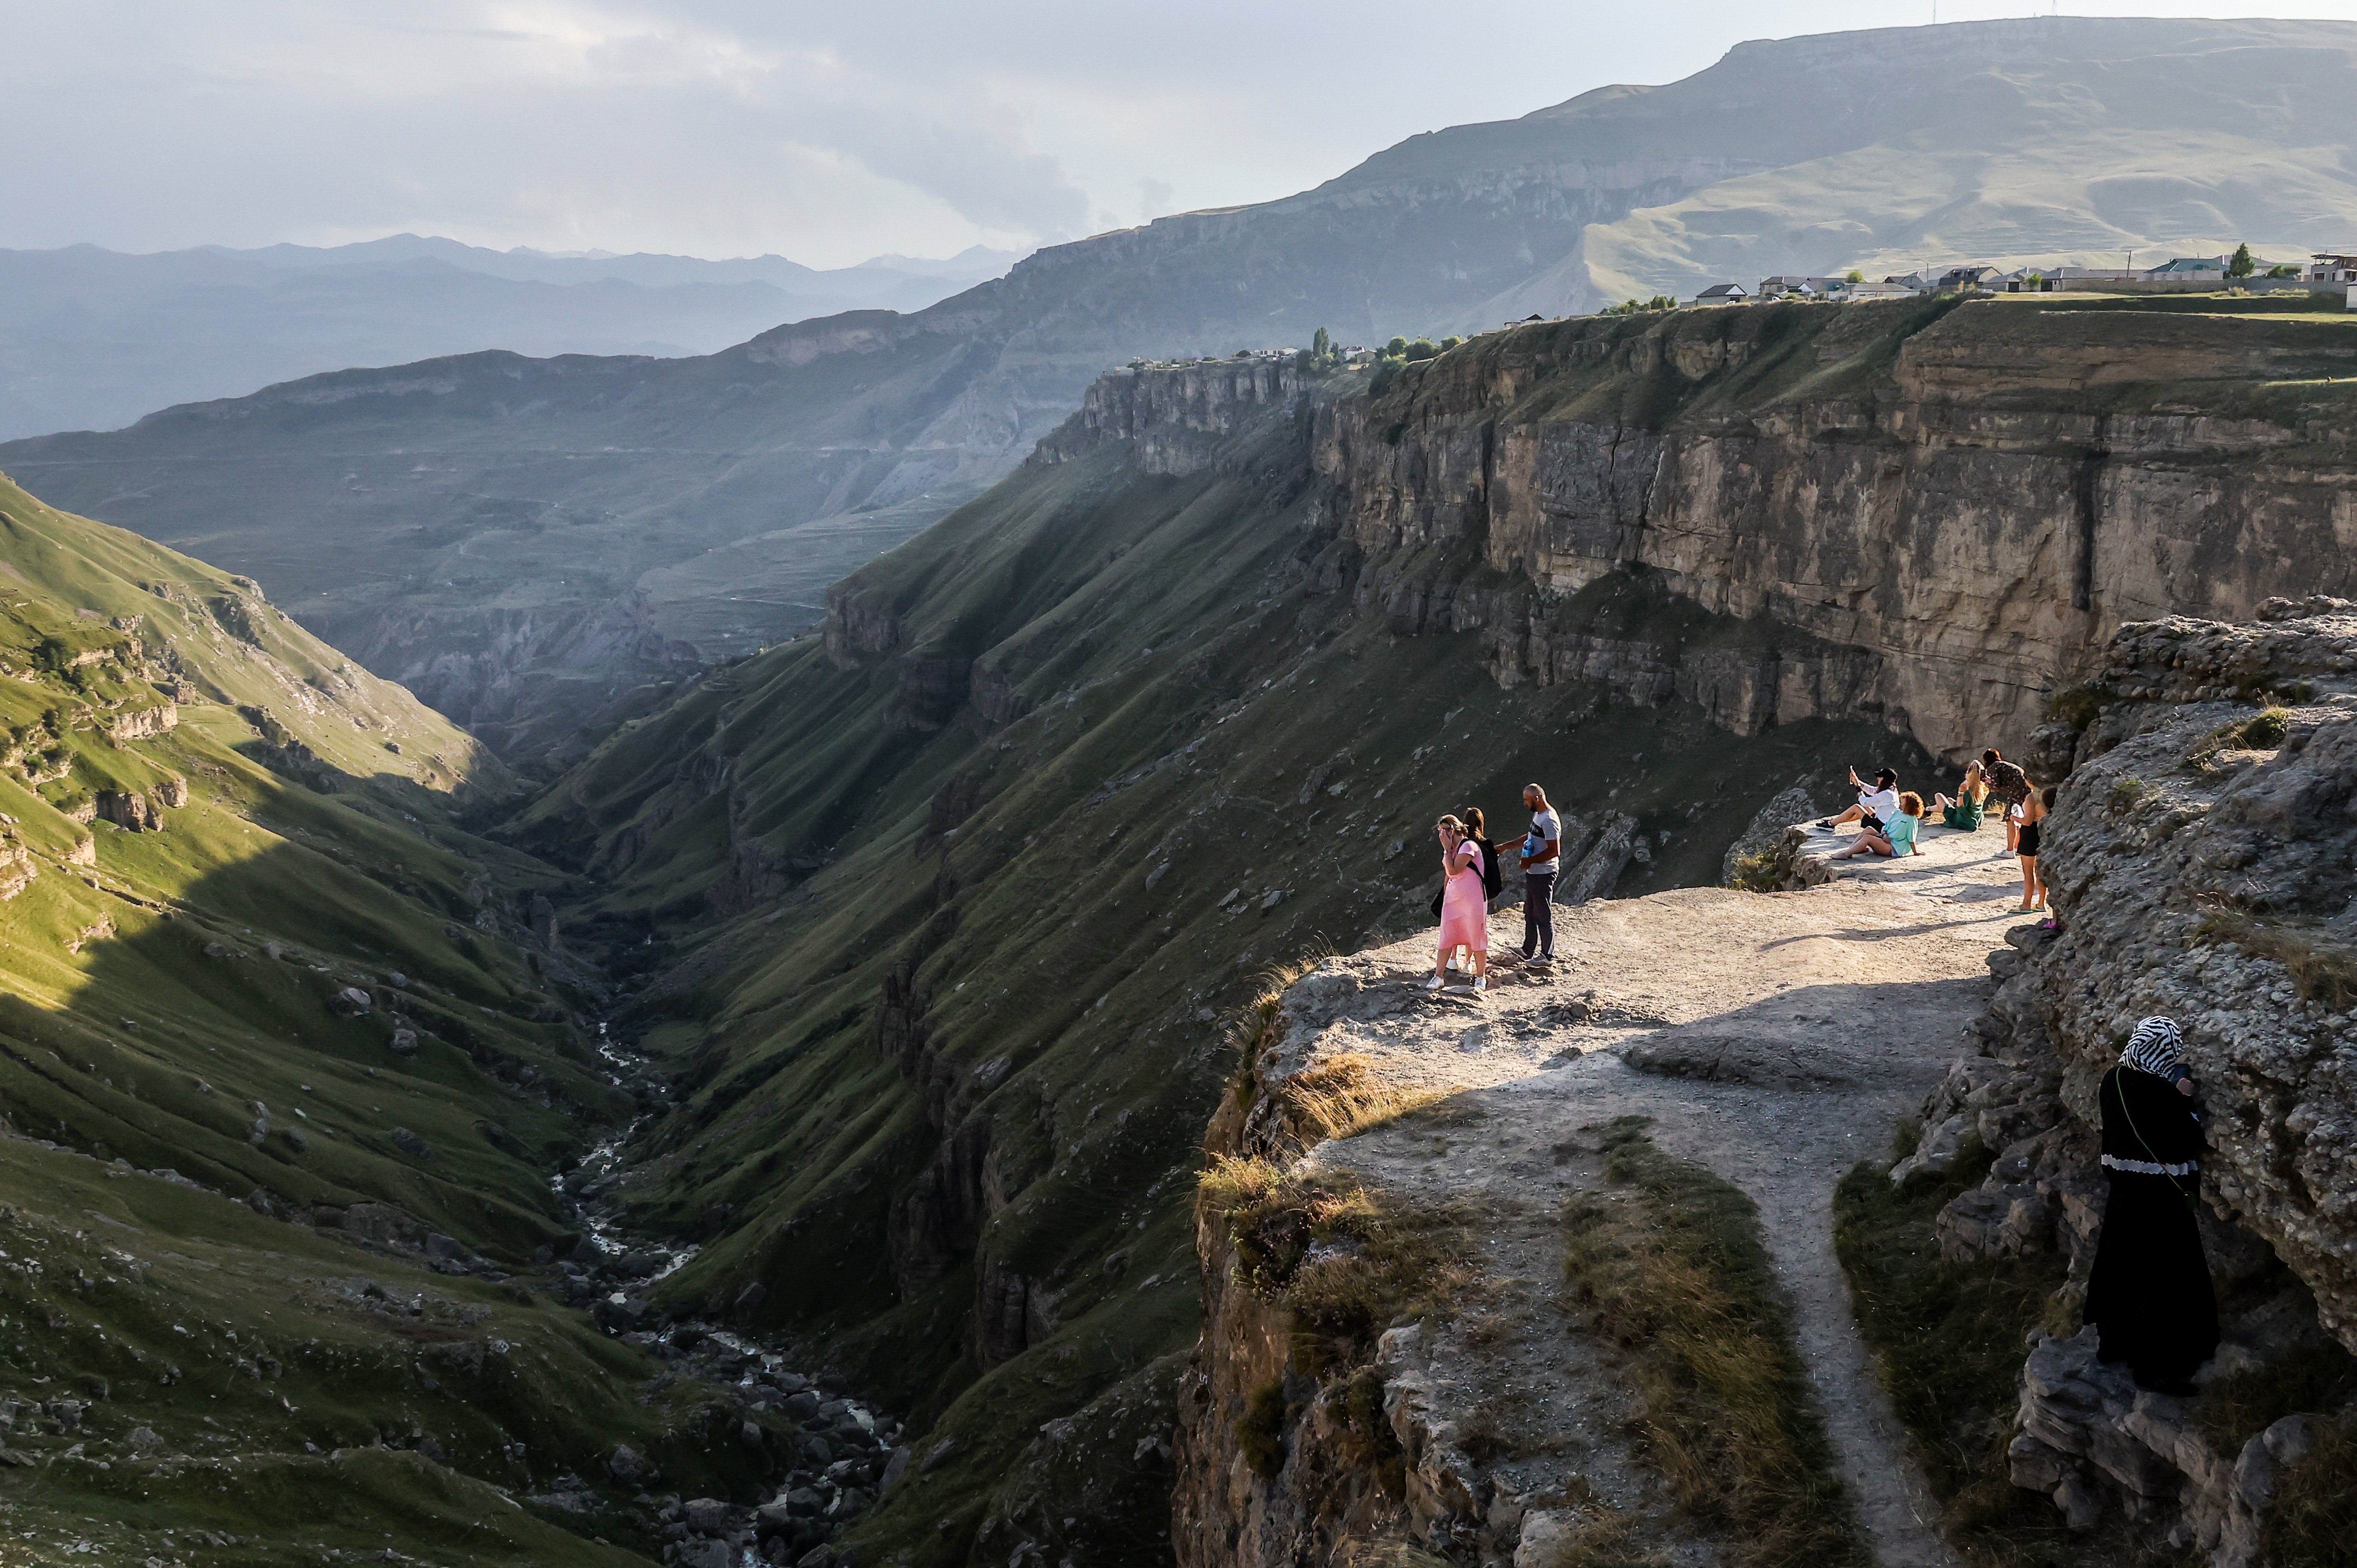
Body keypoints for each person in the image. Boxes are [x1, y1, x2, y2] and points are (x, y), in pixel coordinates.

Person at [2085, 1016, 2218, 1395]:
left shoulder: (2112, 1080)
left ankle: (2113, 1344)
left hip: (2123, 1195)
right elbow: (2187, 1139)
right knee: (2162, 1279)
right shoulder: (2162, 1092)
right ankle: (2154, 1365)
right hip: (2160, 1202)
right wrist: (2183, 1097)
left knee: (2120, 1265)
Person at [1431, 806, 1504, 965]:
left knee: (1457, 925)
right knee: (1472, 926)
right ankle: (1468, 962)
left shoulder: (1462, 846)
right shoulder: (1485, 843)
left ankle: (1454, 958)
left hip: (1463, 890)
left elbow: (1452, 871)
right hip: (1479, 891)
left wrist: (1445, 890)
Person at [1425, 815, 1489, 993]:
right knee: (1447, 936)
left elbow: (1454, 870)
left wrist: (1447, 850)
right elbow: (1449, 875)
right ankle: (1438, 976)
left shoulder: (1469, 846)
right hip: (1454, 900)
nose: (1442, 835)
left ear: (1453, 830)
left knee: (1476, 937)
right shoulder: (1452, 850)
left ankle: (1480, 977)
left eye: (1444, 831)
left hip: (1473, 900)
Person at [1516, 784, 1561, 967]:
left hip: (1544, 872)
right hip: (1534, 871)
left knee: (1542, 913)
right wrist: (1505, 847)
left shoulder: (1549, 820)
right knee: (1530, 911)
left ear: (1536, 799)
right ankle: (1528, 950)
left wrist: (1531, 861)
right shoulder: (1539, 816)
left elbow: (1554, 850)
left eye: (1527, 800)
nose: (1525, 804)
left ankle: (1547, 955)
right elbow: (1530, 837)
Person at [1829, 791, 1925, 860]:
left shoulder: (1912, 820)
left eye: (1903, 804)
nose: (1901, 805)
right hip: (1886, 839)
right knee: (1869, 830)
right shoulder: (1898, 813)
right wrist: (1884, 834)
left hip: (1894, 848)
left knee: (1868, 838)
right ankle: (1851, 850)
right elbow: (1886, 826)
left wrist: (1915, 852)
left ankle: (1846, 854)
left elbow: (1911, 838)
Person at [1821, 767, 1899, 833]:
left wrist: (1859, 791)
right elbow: (1872, 790)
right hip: (1885, 822)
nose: (1878, 779)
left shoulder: (1886, 794)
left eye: (1880, 777)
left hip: (1881, 827)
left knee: (1856, 807)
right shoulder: (1892, 790)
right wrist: (1857, 781)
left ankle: (1831, 824)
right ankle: (1836, 821)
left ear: (1885, 780)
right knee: (1865, 809)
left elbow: (1864, 802)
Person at [1983, 748, 2032, 853]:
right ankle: (2017, 848)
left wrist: (1987, 783)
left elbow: (1995, 786)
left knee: (2011, 820)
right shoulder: (2006, 765)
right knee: (2021, 819)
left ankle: (2010, 851)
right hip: (2028, 790)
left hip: (2017, 792)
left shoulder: (1993, 767)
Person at [2014, 784, 2050, 912]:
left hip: (2030, 833)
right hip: (2045, 831)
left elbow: (2028, 821)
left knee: (2028, 872)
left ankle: (2026, 904)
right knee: (2040, 871)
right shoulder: (2050, 793)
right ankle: (2041, 903)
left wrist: (2014, 817)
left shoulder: (2032, 797)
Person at [1934, 761, 1988, 830]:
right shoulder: (1983, 789)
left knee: (1938, 796)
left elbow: (1960, 808)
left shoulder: (1968, 793)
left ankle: (1927, 810)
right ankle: (1928, 809)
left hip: (1963, 821)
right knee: (1950, 800)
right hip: (1976, 818)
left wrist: (1961, 792)